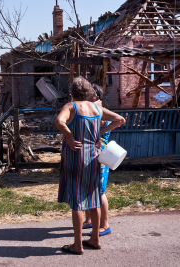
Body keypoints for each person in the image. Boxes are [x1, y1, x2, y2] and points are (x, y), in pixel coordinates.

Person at [55, 77, 125, 255]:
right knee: (93, 198)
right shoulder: (97, 108)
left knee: (77, 202)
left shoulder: (70, 107)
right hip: (93, 157)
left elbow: (58, 121)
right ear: (88, 92)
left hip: (74, 157)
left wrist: (69, 137)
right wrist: (100, 132)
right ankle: (95, 239)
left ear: (72, 92)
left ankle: (77, 245)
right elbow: (120, 120)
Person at [83, 84, 112, 236]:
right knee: (88, 188)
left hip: (100, 155)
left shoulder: (99, 111)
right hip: (90, 154)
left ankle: (105, 225)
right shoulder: (89, 110)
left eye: (87, 94)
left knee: (99, 191)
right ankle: (89, 220)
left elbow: (120, 120)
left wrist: (101, 132)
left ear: (96, 97)